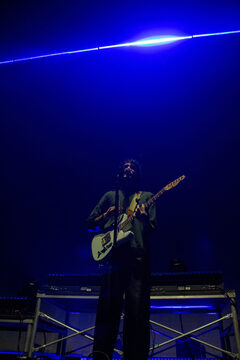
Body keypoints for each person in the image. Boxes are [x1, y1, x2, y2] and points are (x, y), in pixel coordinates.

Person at [88, 159, 157, 360]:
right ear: (120, 172)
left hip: (137, 259)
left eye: (133, 167)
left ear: (138, 174)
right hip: (112, 261)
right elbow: (90, 223)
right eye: (125, 166)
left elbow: (152, 229)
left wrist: (143, 219)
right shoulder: (111, 196)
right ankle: (101, 356)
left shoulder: (146, 197)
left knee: (137, 314)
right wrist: (105, 216)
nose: (128, 169)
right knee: (106, 314)